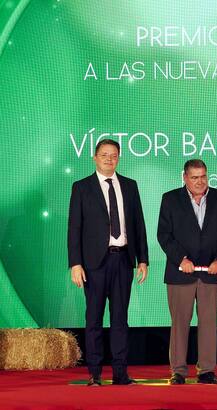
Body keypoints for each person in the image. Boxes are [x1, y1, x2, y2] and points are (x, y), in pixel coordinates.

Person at [68, 139, 148, 386]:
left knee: (120, 319)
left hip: (123, 260)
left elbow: (138, 225)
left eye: (113, 155)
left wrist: (143, 259)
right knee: (93, 319)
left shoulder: (130, 186)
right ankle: (94, 373)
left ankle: (120, 373)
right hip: (93, 264)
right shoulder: (82, 187)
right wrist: (75, 263)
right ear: (94, 157)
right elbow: (74, 228)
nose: (109, 159)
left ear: (118, 158)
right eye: (104, 155)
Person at [157, 159, 217, 385]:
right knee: (179, 323)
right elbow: (164, 235)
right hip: (180, 274)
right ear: (185, 178)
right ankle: (178, 371)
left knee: (209, 323)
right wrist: (181, 259)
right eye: (194, 177)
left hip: (211, 273)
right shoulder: (170, 199)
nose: (200, 182)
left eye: (203, 177)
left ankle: (207, 371)